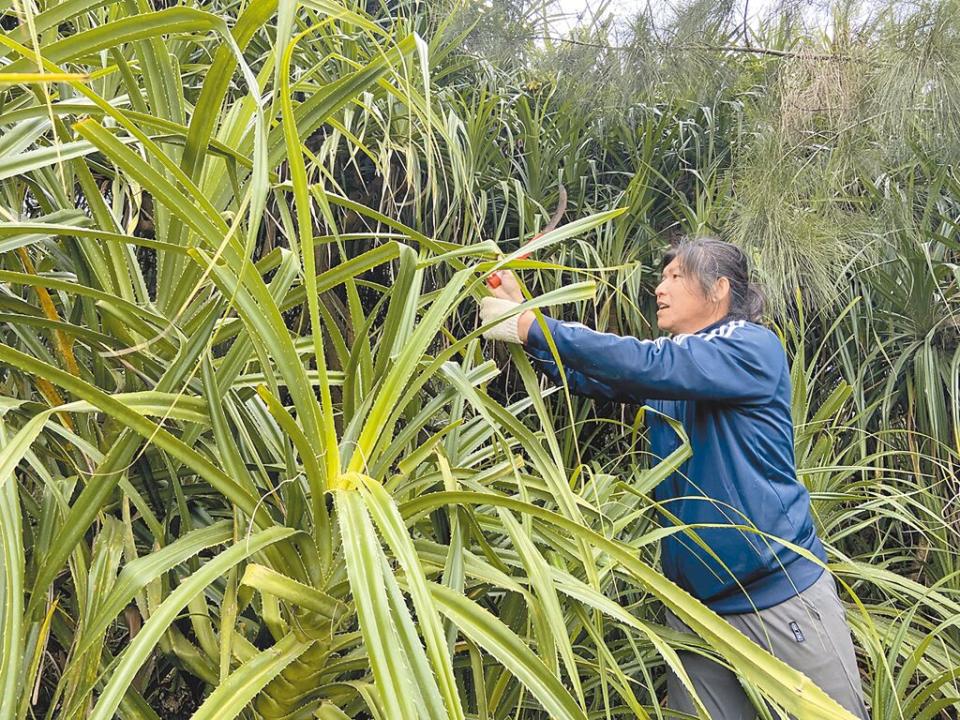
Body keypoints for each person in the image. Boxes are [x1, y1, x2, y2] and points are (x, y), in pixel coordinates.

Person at [479, 237, 868, 720]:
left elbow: (648, 363)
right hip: (695, 610)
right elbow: (588, 374)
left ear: (719, 288)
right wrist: (522, 312)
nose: (659, 287)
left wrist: (530, 326)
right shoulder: (672, 366)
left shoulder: (750, 346)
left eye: (675, 276)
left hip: (778, 597)